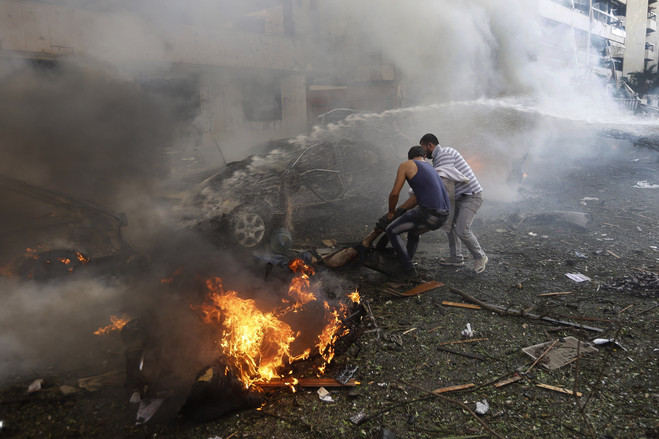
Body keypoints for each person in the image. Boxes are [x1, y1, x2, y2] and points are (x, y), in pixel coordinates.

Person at [419, 133, 489, 273]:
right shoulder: (438, 160)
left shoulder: (445, 153)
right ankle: (456, 258)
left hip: (471, 196)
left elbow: (442, 180)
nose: (424, 154)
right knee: (449, 226)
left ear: (430, 145)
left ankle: (480, 256)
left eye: (423, 149)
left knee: (462, 230)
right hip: (457, 198)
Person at [383, 145, 449, 278]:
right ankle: (405, 262)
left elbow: (394, 194)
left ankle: (407, 269)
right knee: (413, 233)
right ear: (424, 157)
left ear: (409, 157)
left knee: (391, 230)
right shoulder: (431, 168)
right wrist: (403, 210)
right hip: (444, 216)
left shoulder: (406, 165)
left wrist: (391, 213)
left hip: (429, 214)